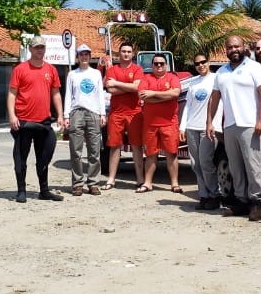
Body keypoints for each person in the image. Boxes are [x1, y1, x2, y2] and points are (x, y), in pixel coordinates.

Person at [206, 35, 261, 222]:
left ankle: (257, 203)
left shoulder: (254, 68)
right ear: (225, 50)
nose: (234, 49)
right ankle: (241, 201)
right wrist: (210, 122)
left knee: (254, 166)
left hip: (251, 124)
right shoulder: (222, 72)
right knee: (235, 167)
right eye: (230, 47)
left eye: (237, 46)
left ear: (244, 47)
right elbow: (215, 97)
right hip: (230, 126)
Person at [7, 35, 65, 203]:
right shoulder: (20, 69)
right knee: (20, 158)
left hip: (44, 121)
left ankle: (44, 190)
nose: (40, 50)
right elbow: (12, 94)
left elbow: (56, 93)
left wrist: (60, 115)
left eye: (42, 47)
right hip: (24, 120)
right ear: (30, 49)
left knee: (45, 156)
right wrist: (12, 115)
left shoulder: (51, 70)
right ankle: (21, 190)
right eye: (36, 47)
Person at [62, 43, 106, 196]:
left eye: (87, 54)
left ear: (90, 56)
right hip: (76, 113)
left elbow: (100, 94)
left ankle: (93, 183)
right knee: (76, 151)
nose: (84, 57)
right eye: (81, 54)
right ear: (78, 57)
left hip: (93, 113)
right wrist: (66, 115)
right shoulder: (72, 75)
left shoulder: (96, 74)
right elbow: (68, 95)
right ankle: (77, 183)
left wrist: (102, 114)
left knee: (94, 151)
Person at [180, 53, 223, 210]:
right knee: (196, 164)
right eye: (197, 63)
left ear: (209, 62)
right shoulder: (193, 83)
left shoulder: (217, 79)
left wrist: (215, 125)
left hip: (209, 128)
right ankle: (203, 195)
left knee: (206, 162)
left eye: (203, 62)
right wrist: (182, 126)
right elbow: (188, 106)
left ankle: (214, 195)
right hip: (192, 127)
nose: (201, 65)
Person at [136, 55, 182, 193]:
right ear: (152, 65)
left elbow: (175, 93)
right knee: (150, 154)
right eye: (156, 64)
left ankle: (174, 184)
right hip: (150, 124)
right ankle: (147, 183)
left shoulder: (172, 78)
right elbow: (142, 96)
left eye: (161, 63)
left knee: (172, 153)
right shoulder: (146, 79)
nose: (159, 66)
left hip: (169, 123)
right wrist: (164, 96)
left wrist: (152, 94)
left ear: (166, 65)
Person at [103, 42, 145, 189]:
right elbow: (110, 89)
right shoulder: (112, 69)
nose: (126, 54)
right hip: (116, 113)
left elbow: (137, 87)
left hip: (134, 113)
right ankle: (111, 179)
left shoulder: (137, 69)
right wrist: (129, 87)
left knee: (136, 146)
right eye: (123, 51)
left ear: (132, 54)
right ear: (119, 53)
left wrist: (118, 83)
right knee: (114, 146)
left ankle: (140, 179)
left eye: (129, 51)